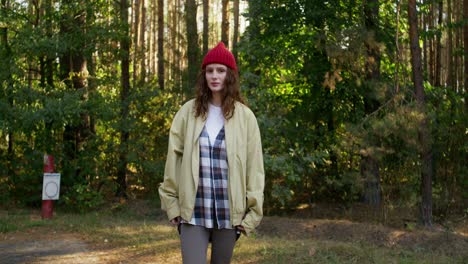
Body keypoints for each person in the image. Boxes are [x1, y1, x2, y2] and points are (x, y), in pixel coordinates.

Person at [159, 42, 265, 264]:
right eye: (210, 71)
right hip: (193, 212)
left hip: (228, 214)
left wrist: (251, 214)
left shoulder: (245, 118)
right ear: (204, 75)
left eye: (221, 70)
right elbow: (173, 160)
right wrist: (171, 204)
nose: (214, 76)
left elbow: (255, 168)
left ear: (230, 76)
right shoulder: (188, 112)